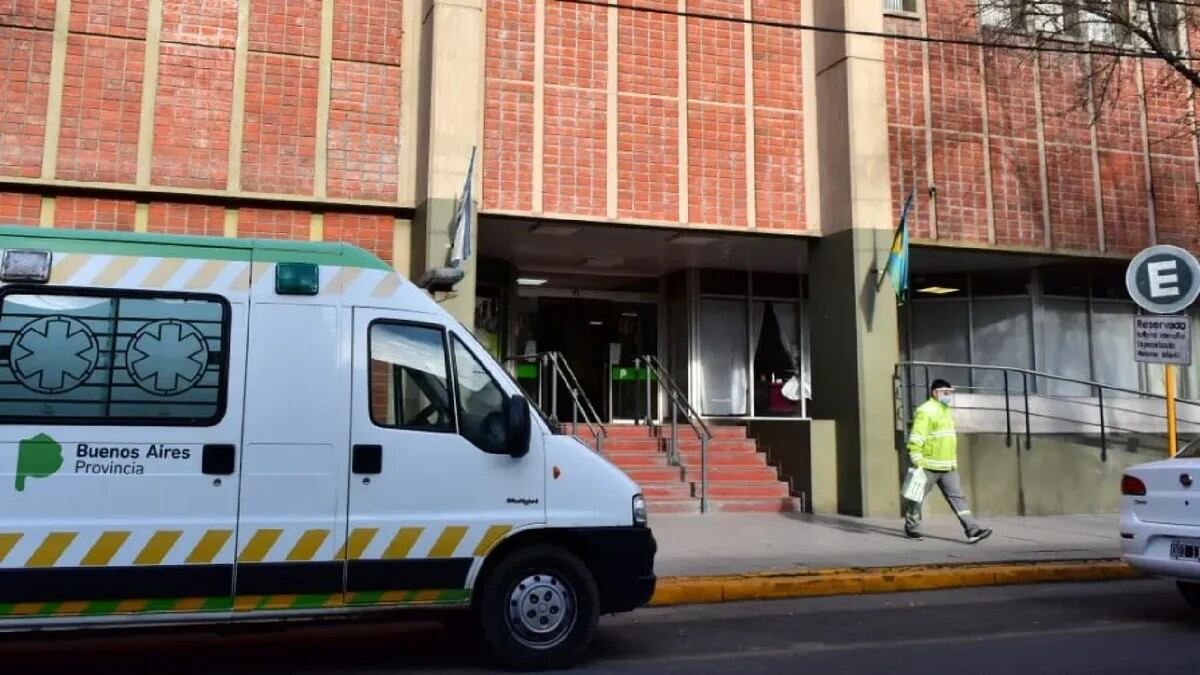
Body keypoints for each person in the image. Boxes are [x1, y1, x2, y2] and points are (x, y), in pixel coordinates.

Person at [904, 379, 993, 544]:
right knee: (916, 498)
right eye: (945, 393)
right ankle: (911, 528)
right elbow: (916, 438)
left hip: (948, 466)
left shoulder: (945, 411)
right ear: (935, 393)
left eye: (950, 393)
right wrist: (917, 462)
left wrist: (953, 462)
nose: (948, 396)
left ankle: (972, 530)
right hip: (928, 465)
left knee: (958, 498)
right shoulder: (926, 411)